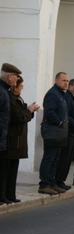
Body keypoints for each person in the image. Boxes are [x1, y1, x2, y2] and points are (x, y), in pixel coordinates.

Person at [0, 75, 39, 203]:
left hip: (17, 139)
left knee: (13, 169)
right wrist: (29, 110)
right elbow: (19, 117)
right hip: (12, 139)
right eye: (20, 85)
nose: (21, 88)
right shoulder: (11, 99)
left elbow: (24, 115)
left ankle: (10, 194)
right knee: (6, 170)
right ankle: (3, 195)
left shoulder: (18, 99)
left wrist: (30, 111)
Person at [38, 72, 69, 195]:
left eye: (67, 80)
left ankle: (52, 183)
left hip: (59, 133)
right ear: (56, 80)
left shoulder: (61, 94)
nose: (66, 83)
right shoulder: (53, 94)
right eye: (63, 80)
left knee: (55, 158)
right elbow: (49, 112)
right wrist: (60, 122)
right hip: (53, 131)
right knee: (49, 158)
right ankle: (44, 184)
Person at [0, 63, 22, 204]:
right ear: (9, 77)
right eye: (16, 77)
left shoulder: (5, 91)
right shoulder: (2, 92)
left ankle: (3, 196)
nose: (17, 80)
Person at [54, 79, 74, 190]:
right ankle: (58, 180)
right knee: (64, 159)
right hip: (68, 133)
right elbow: (66, 115)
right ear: (70, 87)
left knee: (68, 159)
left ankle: (61, 180)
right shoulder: (68, 98)